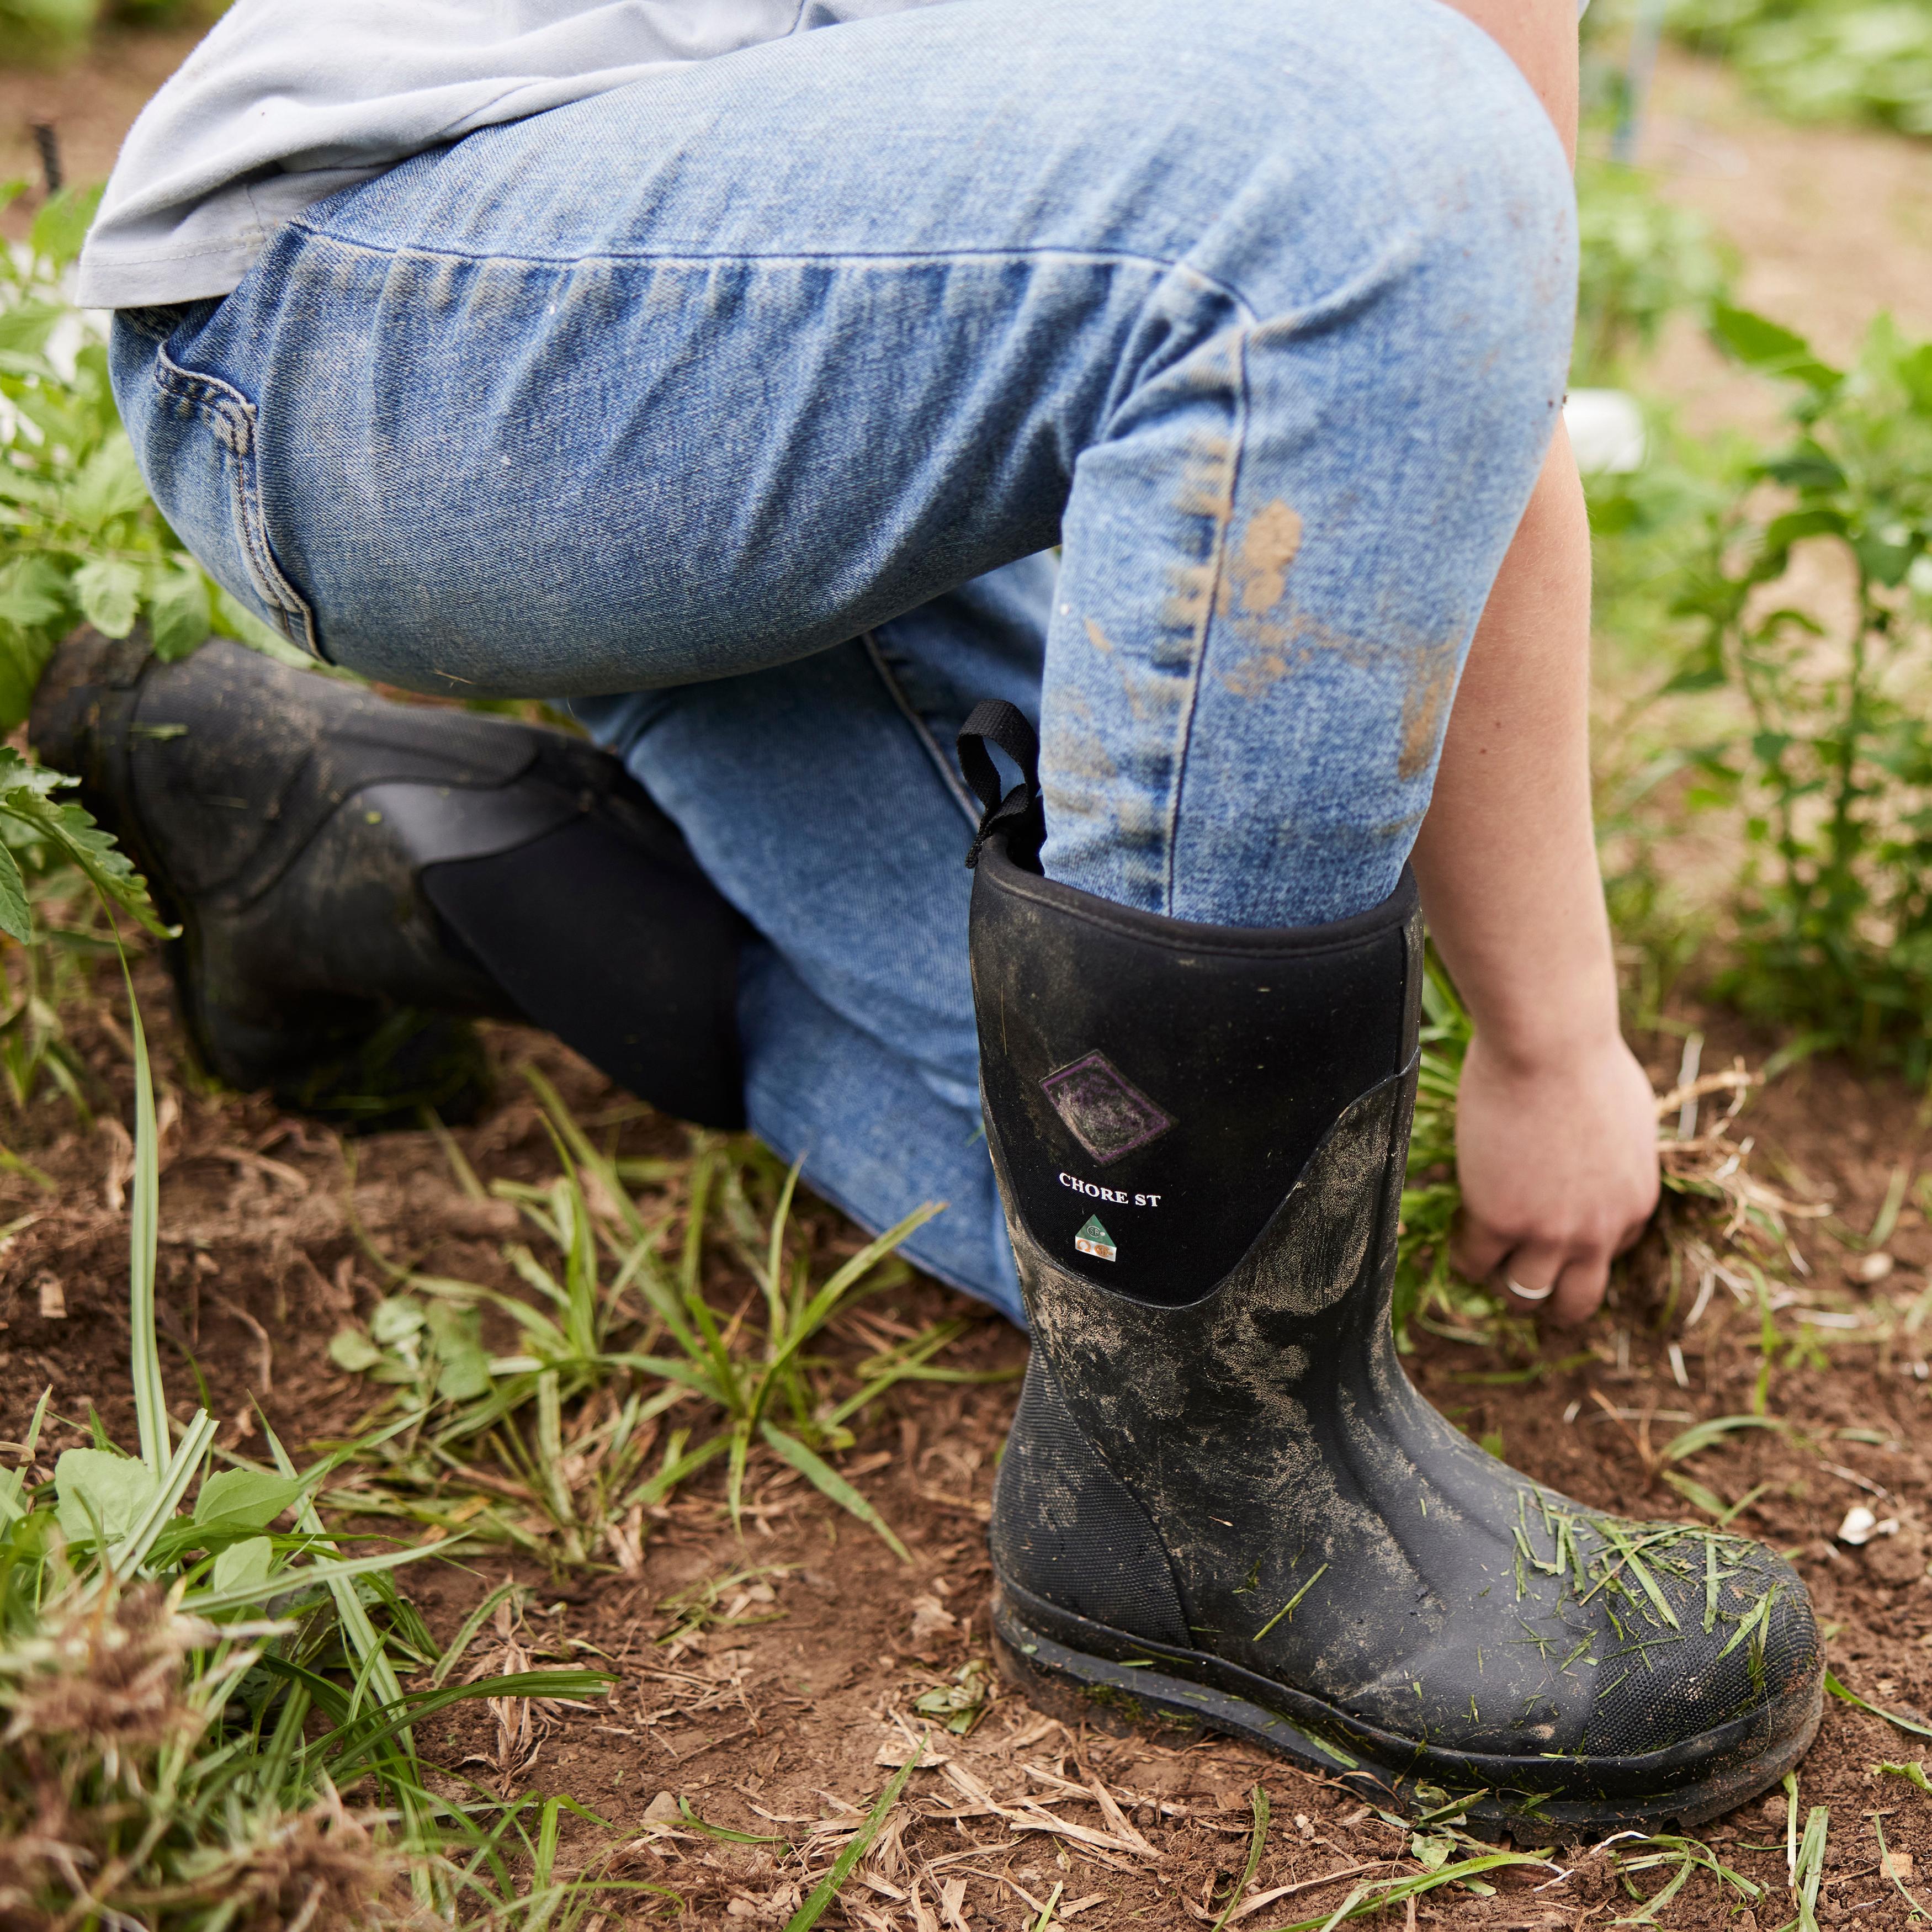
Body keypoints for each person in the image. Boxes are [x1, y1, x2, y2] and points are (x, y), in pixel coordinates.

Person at [44, 0, 1821, 1824]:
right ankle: (1204, 1499)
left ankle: (361, 837)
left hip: (722, 323)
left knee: (1114, 1189)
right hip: (392, 301)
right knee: (1371, 151)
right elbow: (1433, 242)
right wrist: (1551, 1033)